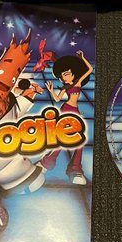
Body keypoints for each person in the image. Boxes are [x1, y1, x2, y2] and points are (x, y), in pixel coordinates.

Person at [38, 51, 92, 185]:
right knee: (62, 137)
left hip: (75, 111)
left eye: (66, 74)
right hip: (65, 109)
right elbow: (57, 99)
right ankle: (48, 162)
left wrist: (82, 58)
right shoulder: (64, 87)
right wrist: (51, 90)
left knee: (79, 139)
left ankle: (75, 168)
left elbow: (90, 69)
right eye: (62, 76)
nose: (64, 77)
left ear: (73, 74)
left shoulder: (78, 83)